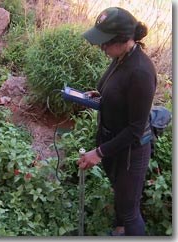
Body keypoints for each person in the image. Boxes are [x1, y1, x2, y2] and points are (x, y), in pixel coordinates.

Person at [77, 7, 157, 236]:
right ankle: (119, 231)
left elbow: (135, 129)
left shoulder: (141, 72)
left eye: (105, 43)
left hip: (130, 152)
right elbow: (118, 90)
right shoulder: (122, 57)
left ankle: (127, 230)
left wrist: (98, 153)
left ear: (123, 40)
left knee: (130, 211)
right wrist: (100, 95)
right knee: (121, 198)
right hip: (114, 143)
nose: (101, 48)